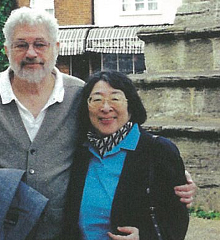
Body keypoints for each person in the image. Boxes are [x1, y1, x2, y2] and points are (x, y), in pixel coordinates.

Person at [0, 7, 195, 239]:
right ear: (6, 50)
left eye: (40, 44)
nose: (31, 53)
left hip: (62, 232)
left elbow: (115, 134)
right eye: (20, 45)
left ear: (56, 48)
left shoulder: (78, 94)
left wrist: (170, 173)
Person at [65, 71, 190, 240]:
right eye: (96, 100)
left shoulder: (158, 150)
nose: (106, 108)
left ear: (131, 105)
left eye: (115, 99)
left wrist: (145, 237)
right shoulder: (80, 151)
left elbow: (176, 220)